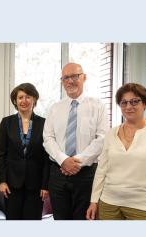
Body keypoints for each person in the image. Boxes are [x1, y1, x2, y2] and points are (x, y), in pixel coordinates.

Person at [86, 83, 146, 220]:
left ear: (145, 104)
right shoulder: (111, 134)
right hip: (109, 204)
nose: (129, 106)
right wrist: (94, 201)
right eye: (124, 103)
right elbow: (102, 170)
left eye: (135, 101)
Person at [43, 63, 109, 220]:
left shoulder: (98, 106)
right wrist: (64, 160)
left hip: (86, 174)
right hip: (58, 173)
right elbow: (48, 138)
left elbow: (102, 139)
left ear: (84, 77)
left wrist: (76, 161)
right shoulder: (54, 108)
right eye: (66, 77)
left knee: (84, 218)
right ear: (62, 81)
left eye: (74, 76)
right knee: (60, 218)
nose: (70, 81)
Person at [0, 83, 50, 220]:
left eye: (28, 97)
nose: (24, 100)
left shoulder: (44, 123)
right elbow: (2, 155)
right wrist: (2, 181)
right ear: (15, 101)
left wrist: (45, 185)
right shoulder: (6, 123)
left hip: (36, 185)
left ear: (34, 99)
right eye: (20, 97)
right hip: (12, 184)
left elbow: (46, 158)